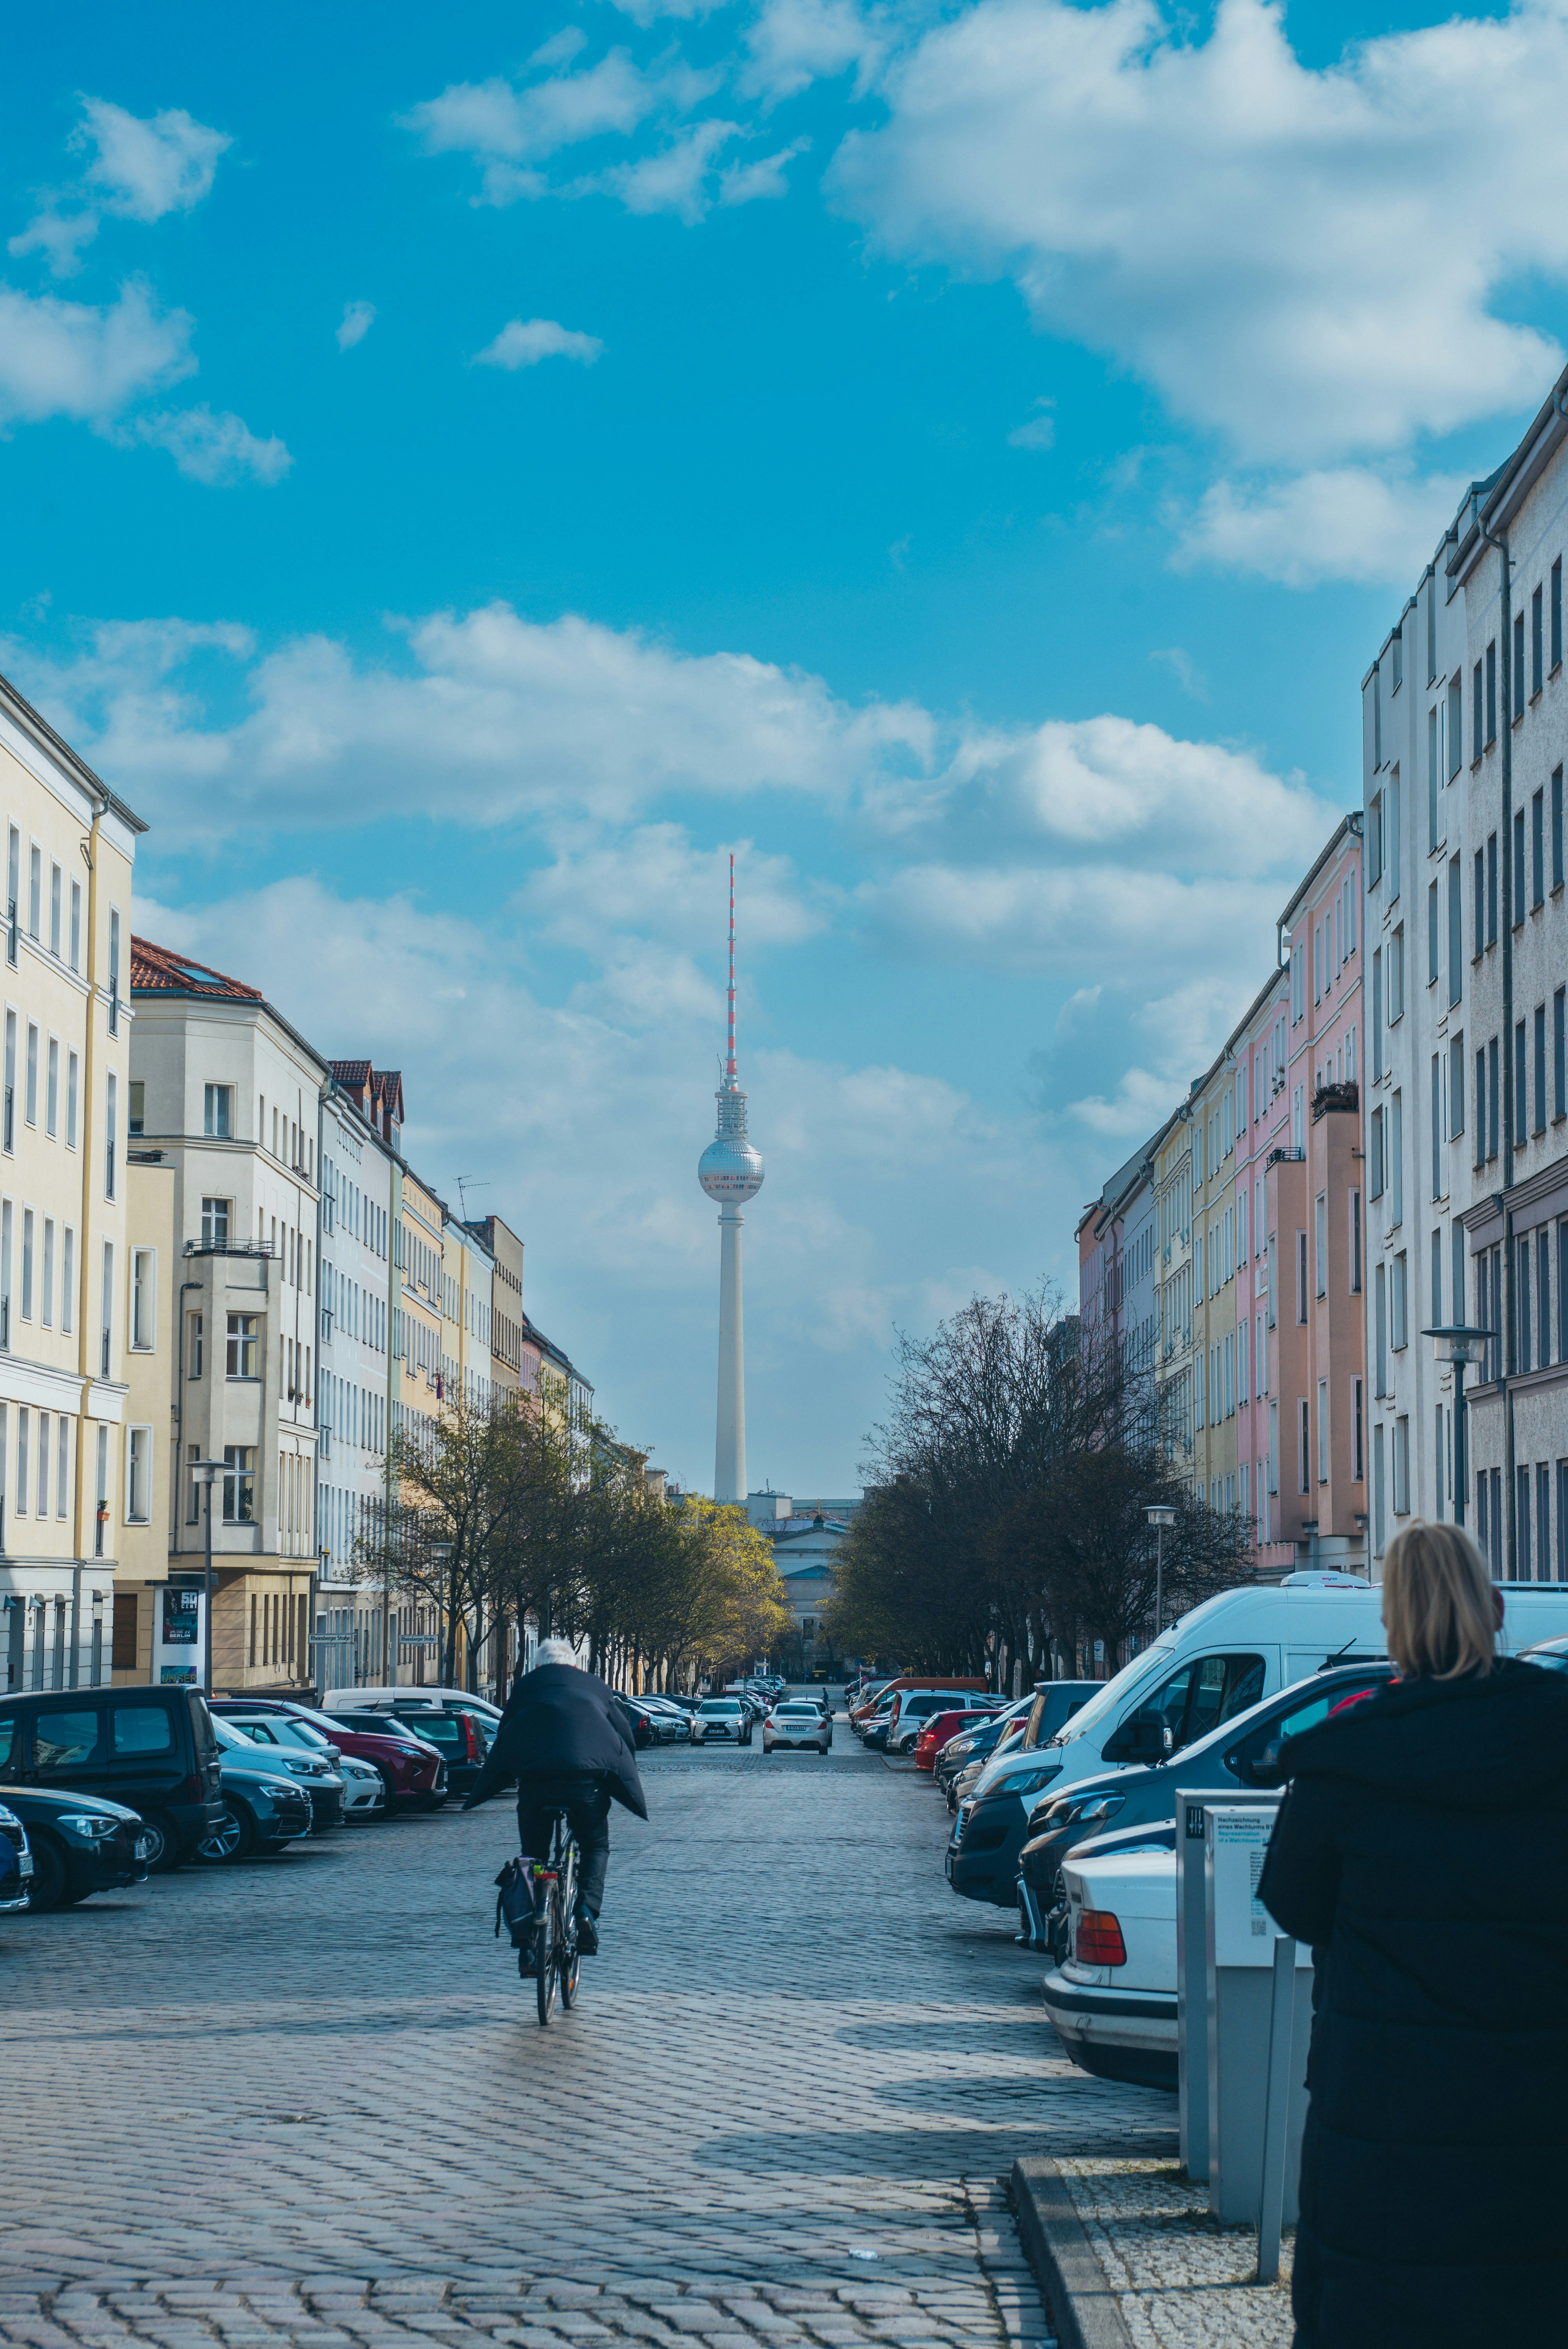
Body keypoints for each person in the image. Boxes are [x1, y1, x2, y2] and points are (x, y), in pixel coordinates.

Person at [1258, 1521, 1568, 2349]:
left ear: (1392, 1622)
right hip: (1540, 2093)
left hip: (1386, 2102)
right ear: (1494, 1609)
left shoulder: (1347, 1757)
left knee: (1381, 2303)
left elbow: (1292, 1901)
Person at [462, 1636, 647, 1958]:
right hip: (585, 1785)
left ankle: (530, 1937)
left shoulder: (526, 1687)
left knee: (533, 1855)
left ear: (536, 1667)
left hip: (536, 1785)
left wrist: (502, 1776)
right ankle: (587, 1913)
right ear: (575, 1666)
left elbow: (506, 1734)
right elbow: (624, 1734)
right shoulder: (595, 1686)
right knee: (595, 1846)